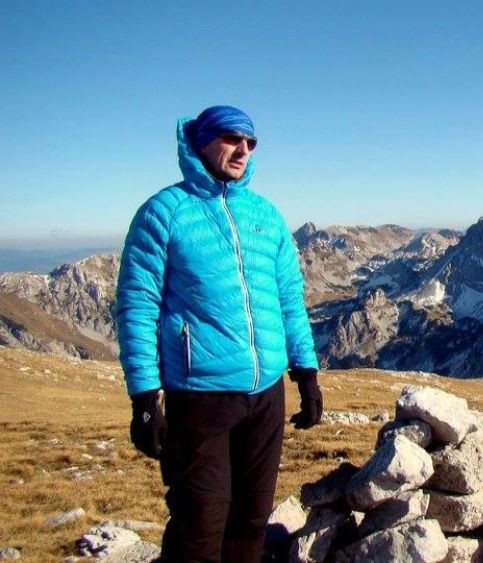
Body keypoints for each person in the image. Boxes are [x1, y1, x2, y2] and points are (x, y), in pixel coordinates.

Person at [115, 105, 324, 562]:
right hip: (200, 398)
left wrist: (306, 372)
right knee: (199, 525)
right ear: (201, 141)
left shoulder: (265, 215)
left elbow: (289, 300)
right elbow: (136, 306)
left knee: (251, 522)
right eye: (232, 138)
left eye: (251, 142)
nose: (243, 150)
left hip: (266, 397)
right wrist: (144, 399)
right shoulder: (163, 213)